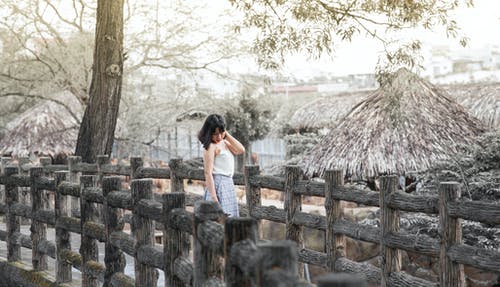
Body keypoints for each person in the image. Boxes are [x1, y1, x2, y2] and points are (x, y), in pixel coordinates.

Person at [198, 114, 245, 217]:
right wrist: (214, 200)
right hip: (218, 186)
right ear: (209, 133)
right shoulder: (210, 146)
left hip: (228, 185)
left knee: (230, 223)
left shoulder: (224, 142)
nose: (218, 137)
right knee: (220, 223)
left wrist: (225, 133)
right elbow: (208, 173)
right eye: (215, 134)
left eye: (221, 133)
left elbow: (241, 150)